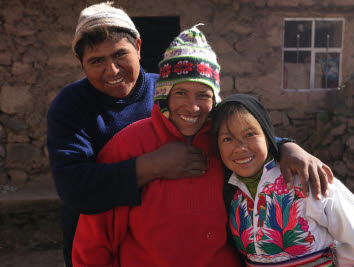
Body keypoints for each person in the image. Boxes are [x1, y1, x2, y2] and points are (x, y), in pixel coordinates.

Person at [46, 3, 333, 266]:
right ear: (79, 60)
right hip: (99, 225)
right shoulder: (73, 108)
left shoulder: (174, 85)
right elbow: (75, 188)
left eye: (120, 54)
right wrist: (154, 164)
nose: (112, 69)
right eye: (96, 61)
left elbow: (234, 127)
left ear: (138, 47)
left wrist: (285, 147)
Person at [212, 94, 354, 266]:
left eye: (250, 134)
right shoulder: (231, 192)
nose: (240, 147)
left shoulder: (305, 178)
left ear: (267, 135)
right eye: (227, 139)